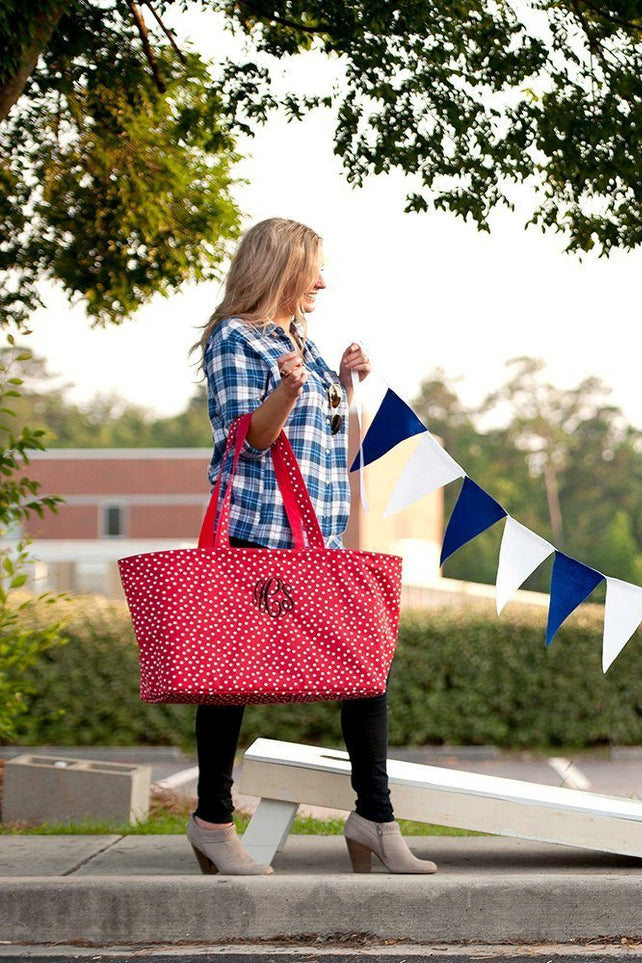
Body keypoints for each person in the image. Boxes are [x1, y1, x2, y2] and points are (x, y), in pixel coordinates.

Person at [184, 217, 435, 876]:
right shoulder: (233, 340)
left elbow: (320, 440)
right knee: (229, 679)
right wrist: (288, 389)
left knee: (365, 669)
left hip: (317, 540)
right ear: (281, 268)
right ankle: (213, 820)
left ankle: (374, 819)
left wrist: (342, 386)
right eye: (313, 268)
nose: (323, 281)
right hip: (257, 536)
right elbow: (253, 438)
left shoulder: (303, 341)